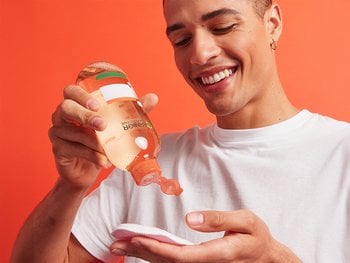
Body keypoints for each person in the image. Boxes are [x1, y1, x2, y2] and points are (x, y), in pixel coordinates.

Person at [11, 0, 350, 262]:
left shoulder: (341, 155)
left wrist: (276, 259)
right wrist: (70, 187)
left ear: (272, 23)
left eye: (223, 26)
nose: (199, 55)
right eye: (182, 39)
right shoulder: (146, 164)